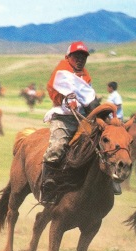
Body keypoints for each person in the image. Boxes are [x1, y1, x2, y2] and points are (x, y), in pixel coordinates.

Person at [40, 41, 99, 204]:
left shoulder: (86, 75)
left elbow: (89, 97)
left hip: (82, 118)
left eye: (83, 57)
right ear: (68, 57)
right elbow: (56, 88)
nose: (80, 59)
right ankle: (47, 185)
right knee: (57, 146)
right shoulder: (62, 70)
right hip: (63, 116)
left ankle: (109, 181)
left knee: (101, 143)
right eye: (76, 56)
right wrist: (68, 97)